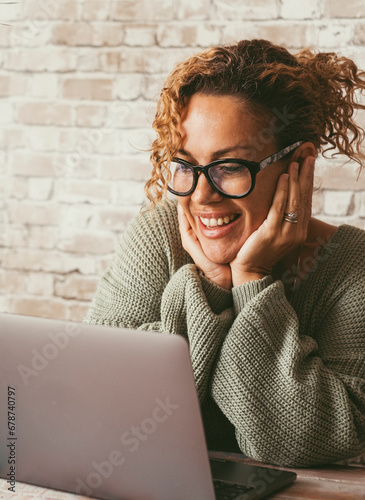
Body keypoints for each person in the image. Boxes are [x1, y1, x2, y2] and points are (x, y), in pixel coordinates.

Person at [84, 39, 365, 467]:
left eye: (230, 167)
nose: (201, 195)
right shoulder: (158, 236)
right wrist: (210, 283)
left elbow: (311, 440)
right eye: (184, 165)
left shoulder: (351, 268)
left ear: (299, 163)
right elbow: (99, 407)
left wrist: (251, 278)